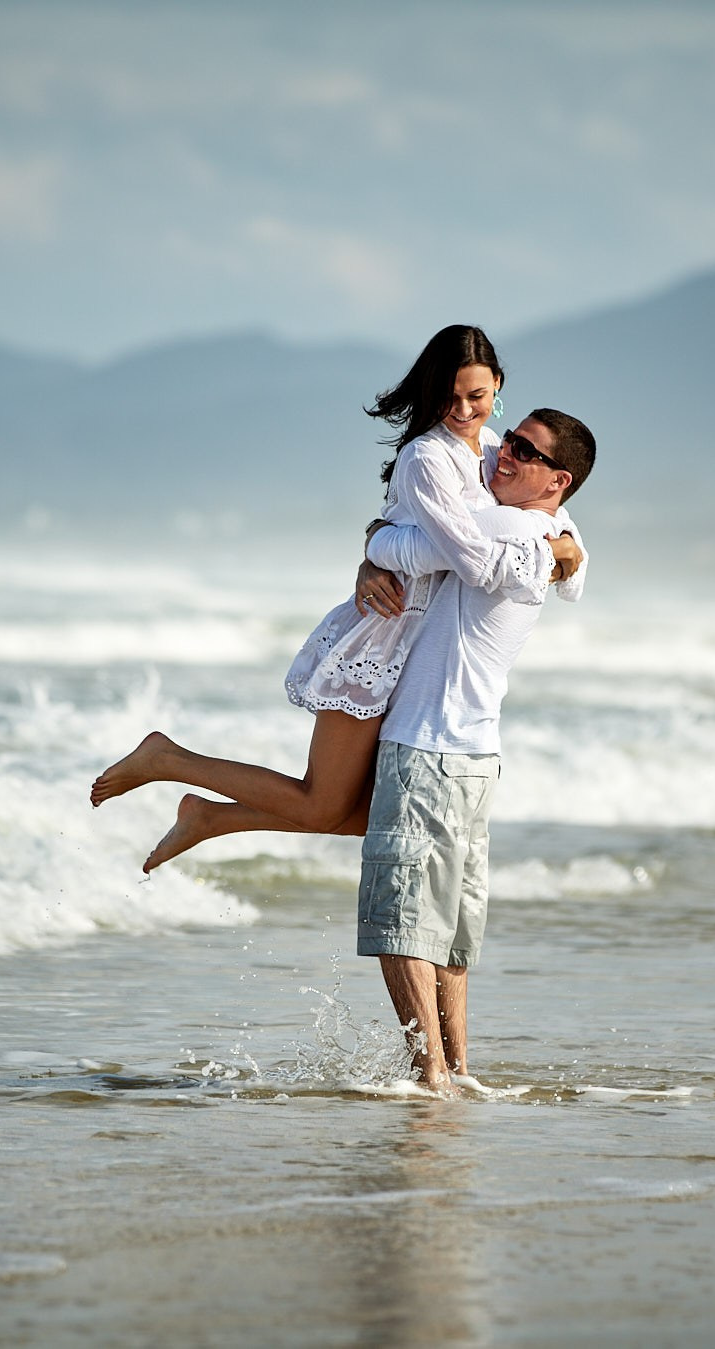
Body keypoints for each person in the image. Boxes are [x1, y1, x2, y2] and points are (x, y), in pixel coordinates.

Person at [89, 325, 581, 869]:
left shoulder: (497, 450)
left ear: (498, 387)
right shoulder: (426, 456)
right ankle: (169, 760)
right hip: (384, 634)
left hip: (423, 653)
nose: (463, 410)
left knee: (372, 812)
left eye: (477, 395)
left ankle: (211, 818)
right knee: (324, 804)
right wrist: (382, 548)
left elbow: (543, 515)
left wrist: (566, 546)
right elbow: (468, 555)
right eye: (450, 395)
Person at [354, 408, 597, 1096]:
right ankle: (456, 1073)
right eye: (509, 440)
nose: (505, 453)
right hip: (476, 755)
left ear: (558, 480)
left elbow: (410, 544)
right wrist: (569, 549)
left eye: (525, 450)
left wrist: (373, 542)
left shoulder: (504, 525)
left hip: (427, 747)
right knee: (452, 931)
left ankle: (429, 1076)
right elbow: (573, 564)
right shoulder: (551, 530)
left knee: (404, 924)